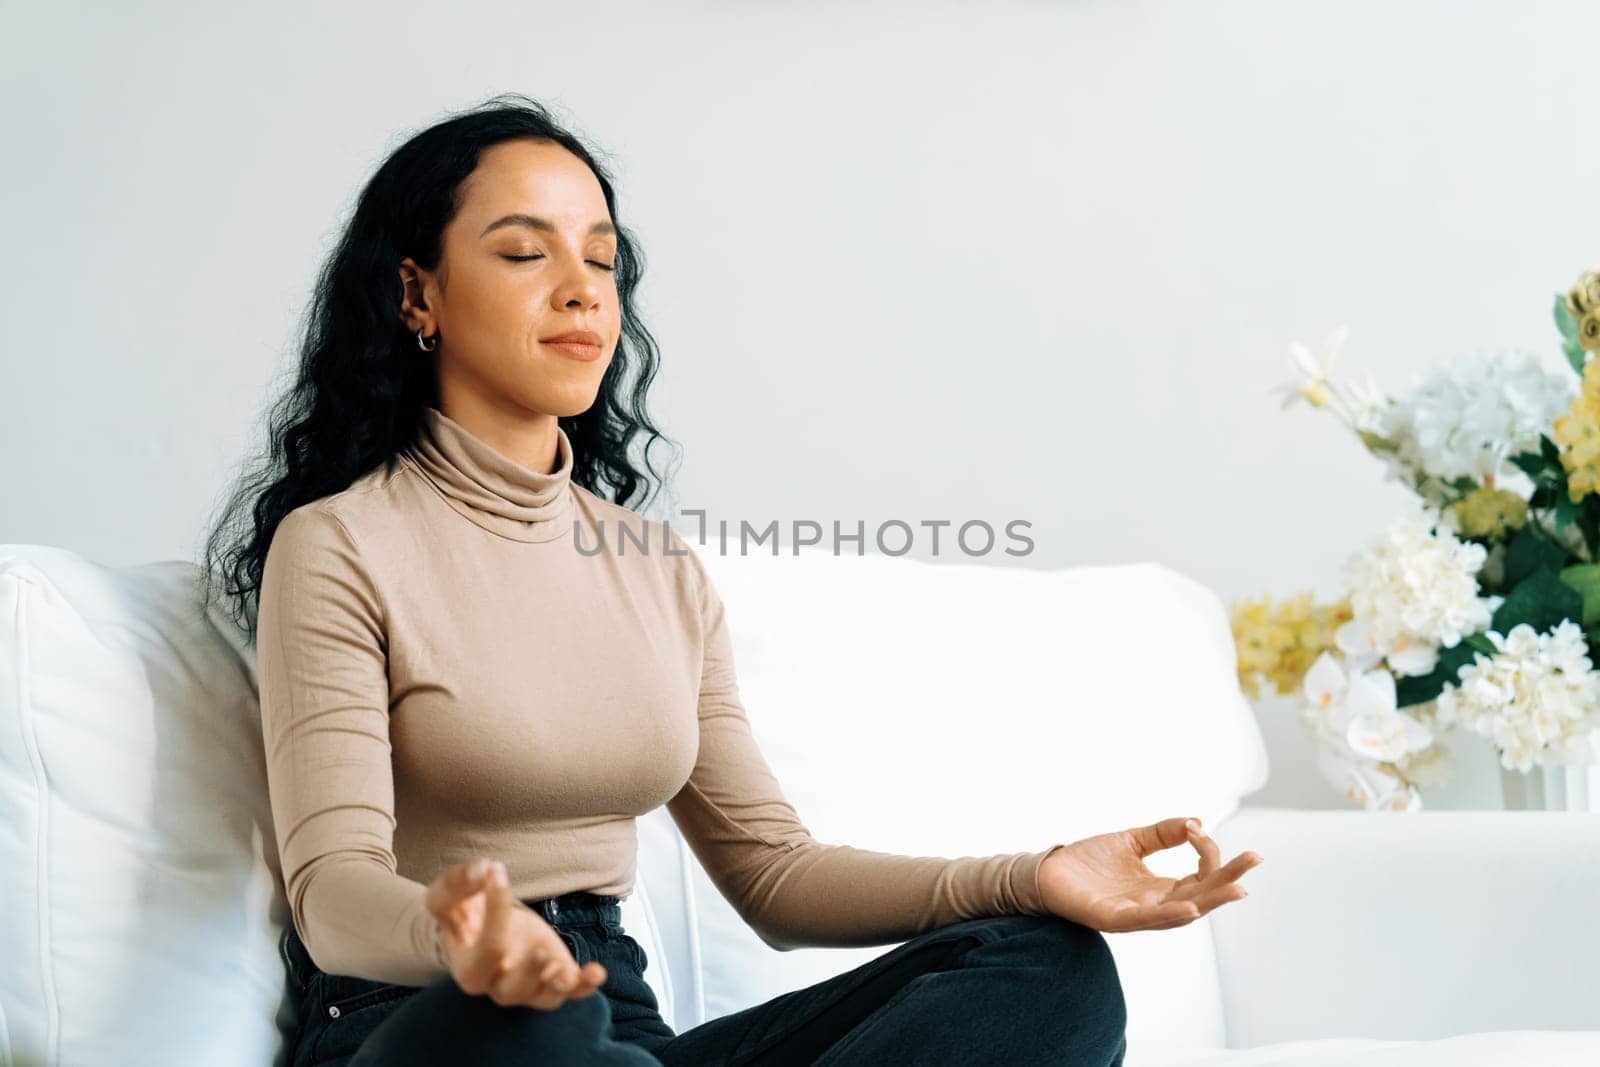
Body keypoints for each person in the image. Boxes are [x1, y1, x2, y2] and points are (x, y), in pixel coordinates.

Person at [201, 93, 1261, 1067]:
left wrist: (1034, 874)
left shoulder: (654, 569)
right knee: (546, 1030)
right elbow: (331, 891)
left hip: (624, 1037)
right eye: (525, 252)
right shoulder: (339, 543)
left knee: (1049, 969)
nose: (580, 288)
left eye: (603, 260)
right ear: (416, 291)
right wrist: (464, 937)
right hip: (433, 1022)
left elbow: (775, 873)